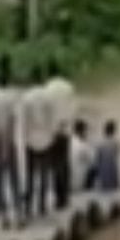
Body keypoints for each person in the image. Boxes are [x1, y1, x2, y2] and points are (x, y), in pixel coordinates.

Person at [0, 57, 21, 226]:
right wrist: (7, 145)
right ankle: (17, 212)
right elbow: (12, 121)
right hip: (8, 142)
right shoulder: (11, 98)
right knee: (13, 179)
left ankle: (2, 214)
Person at [21, 66, 55, 221]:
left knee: (30, 175)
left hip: (31, 139)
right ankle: (42, 206)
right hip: (45, 139)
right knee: (44, 174)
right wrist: (51, 136)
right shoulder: (48, 97)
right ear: (42, 79)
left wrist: (24, 138)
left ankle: (28, 207)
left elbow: (24, 122)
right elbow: (51, 119)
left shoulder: (26, 98)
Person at [45, 60, 75, 211]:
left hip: (52, 132)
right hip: (66, 130)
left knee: (54, 165)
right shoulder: (68, 87)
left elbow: (46, 112)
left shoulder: (46, 89)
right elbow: (73, 108)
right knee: (65, 163)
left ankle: (58, 198)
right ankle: (65, 196)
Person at [95, 121, 120, 193]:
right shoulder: (115, 142)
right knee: (109, 188)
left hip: (107, 167)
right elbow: (117, 153)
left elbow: (98, 156)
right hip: (107, 167)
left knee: (109, 188)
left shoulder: (114, 142)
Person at [70, 119, 95, 194]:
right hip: (79, 182)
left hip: (70, 180)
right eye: (86, 130)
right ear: (82, 131)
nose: (87, 132)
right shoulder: (82, 144)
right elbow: (92, 160)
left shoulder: (70, 141)